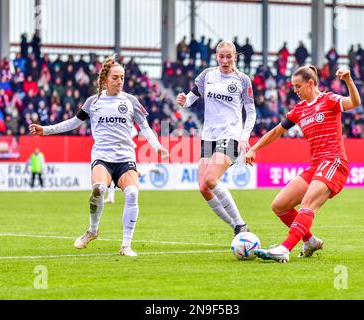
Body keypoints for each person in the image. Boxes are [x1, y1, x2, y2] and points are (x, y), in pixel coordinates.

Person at [29, 55, 169, 257]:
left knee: (132, 194)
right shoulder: (93, 102)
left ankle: (126, 246)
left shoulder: (131, 101)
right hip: (102, 156)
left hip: (125, 158)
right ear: (105, 80)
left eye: (122, 77)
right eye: (115, 77)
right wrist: (46, 130)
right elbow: (73, 123)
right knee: (98, 189)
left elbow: (145, 128)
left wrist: (158, 147)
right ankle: (93, 230)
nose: (119, 81)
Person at [245, 66, 361, 263]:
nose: (295, 90)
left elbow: (354, 102)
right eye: (293, 87)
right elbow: (275, 132)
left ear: (310, 83)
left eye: (298, 86)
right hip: (316, 165)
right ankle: (311, 241)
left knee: (308, 204)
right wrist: (254, 148)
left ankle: (284, 249)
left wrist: (348, 81)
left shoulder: (329, 100)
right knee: (280, 206)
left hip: (334, 162)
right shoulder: (299, 110)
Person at [176, 40, 256, 237]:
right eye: (221, 56)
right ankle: (236, 226)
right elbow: (190, 99)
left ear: (235, 57)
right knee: (204, 187)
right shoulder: (207, 75)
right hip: (209, 136)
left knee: (211, 179)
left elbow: (251, 112)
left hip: (230, 135)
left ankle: (240, 224)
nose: (225, 60)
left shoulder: (242, 80)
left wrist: (244, 137)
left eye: (229, 56)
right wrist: (184, 101)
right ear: (216, 57)